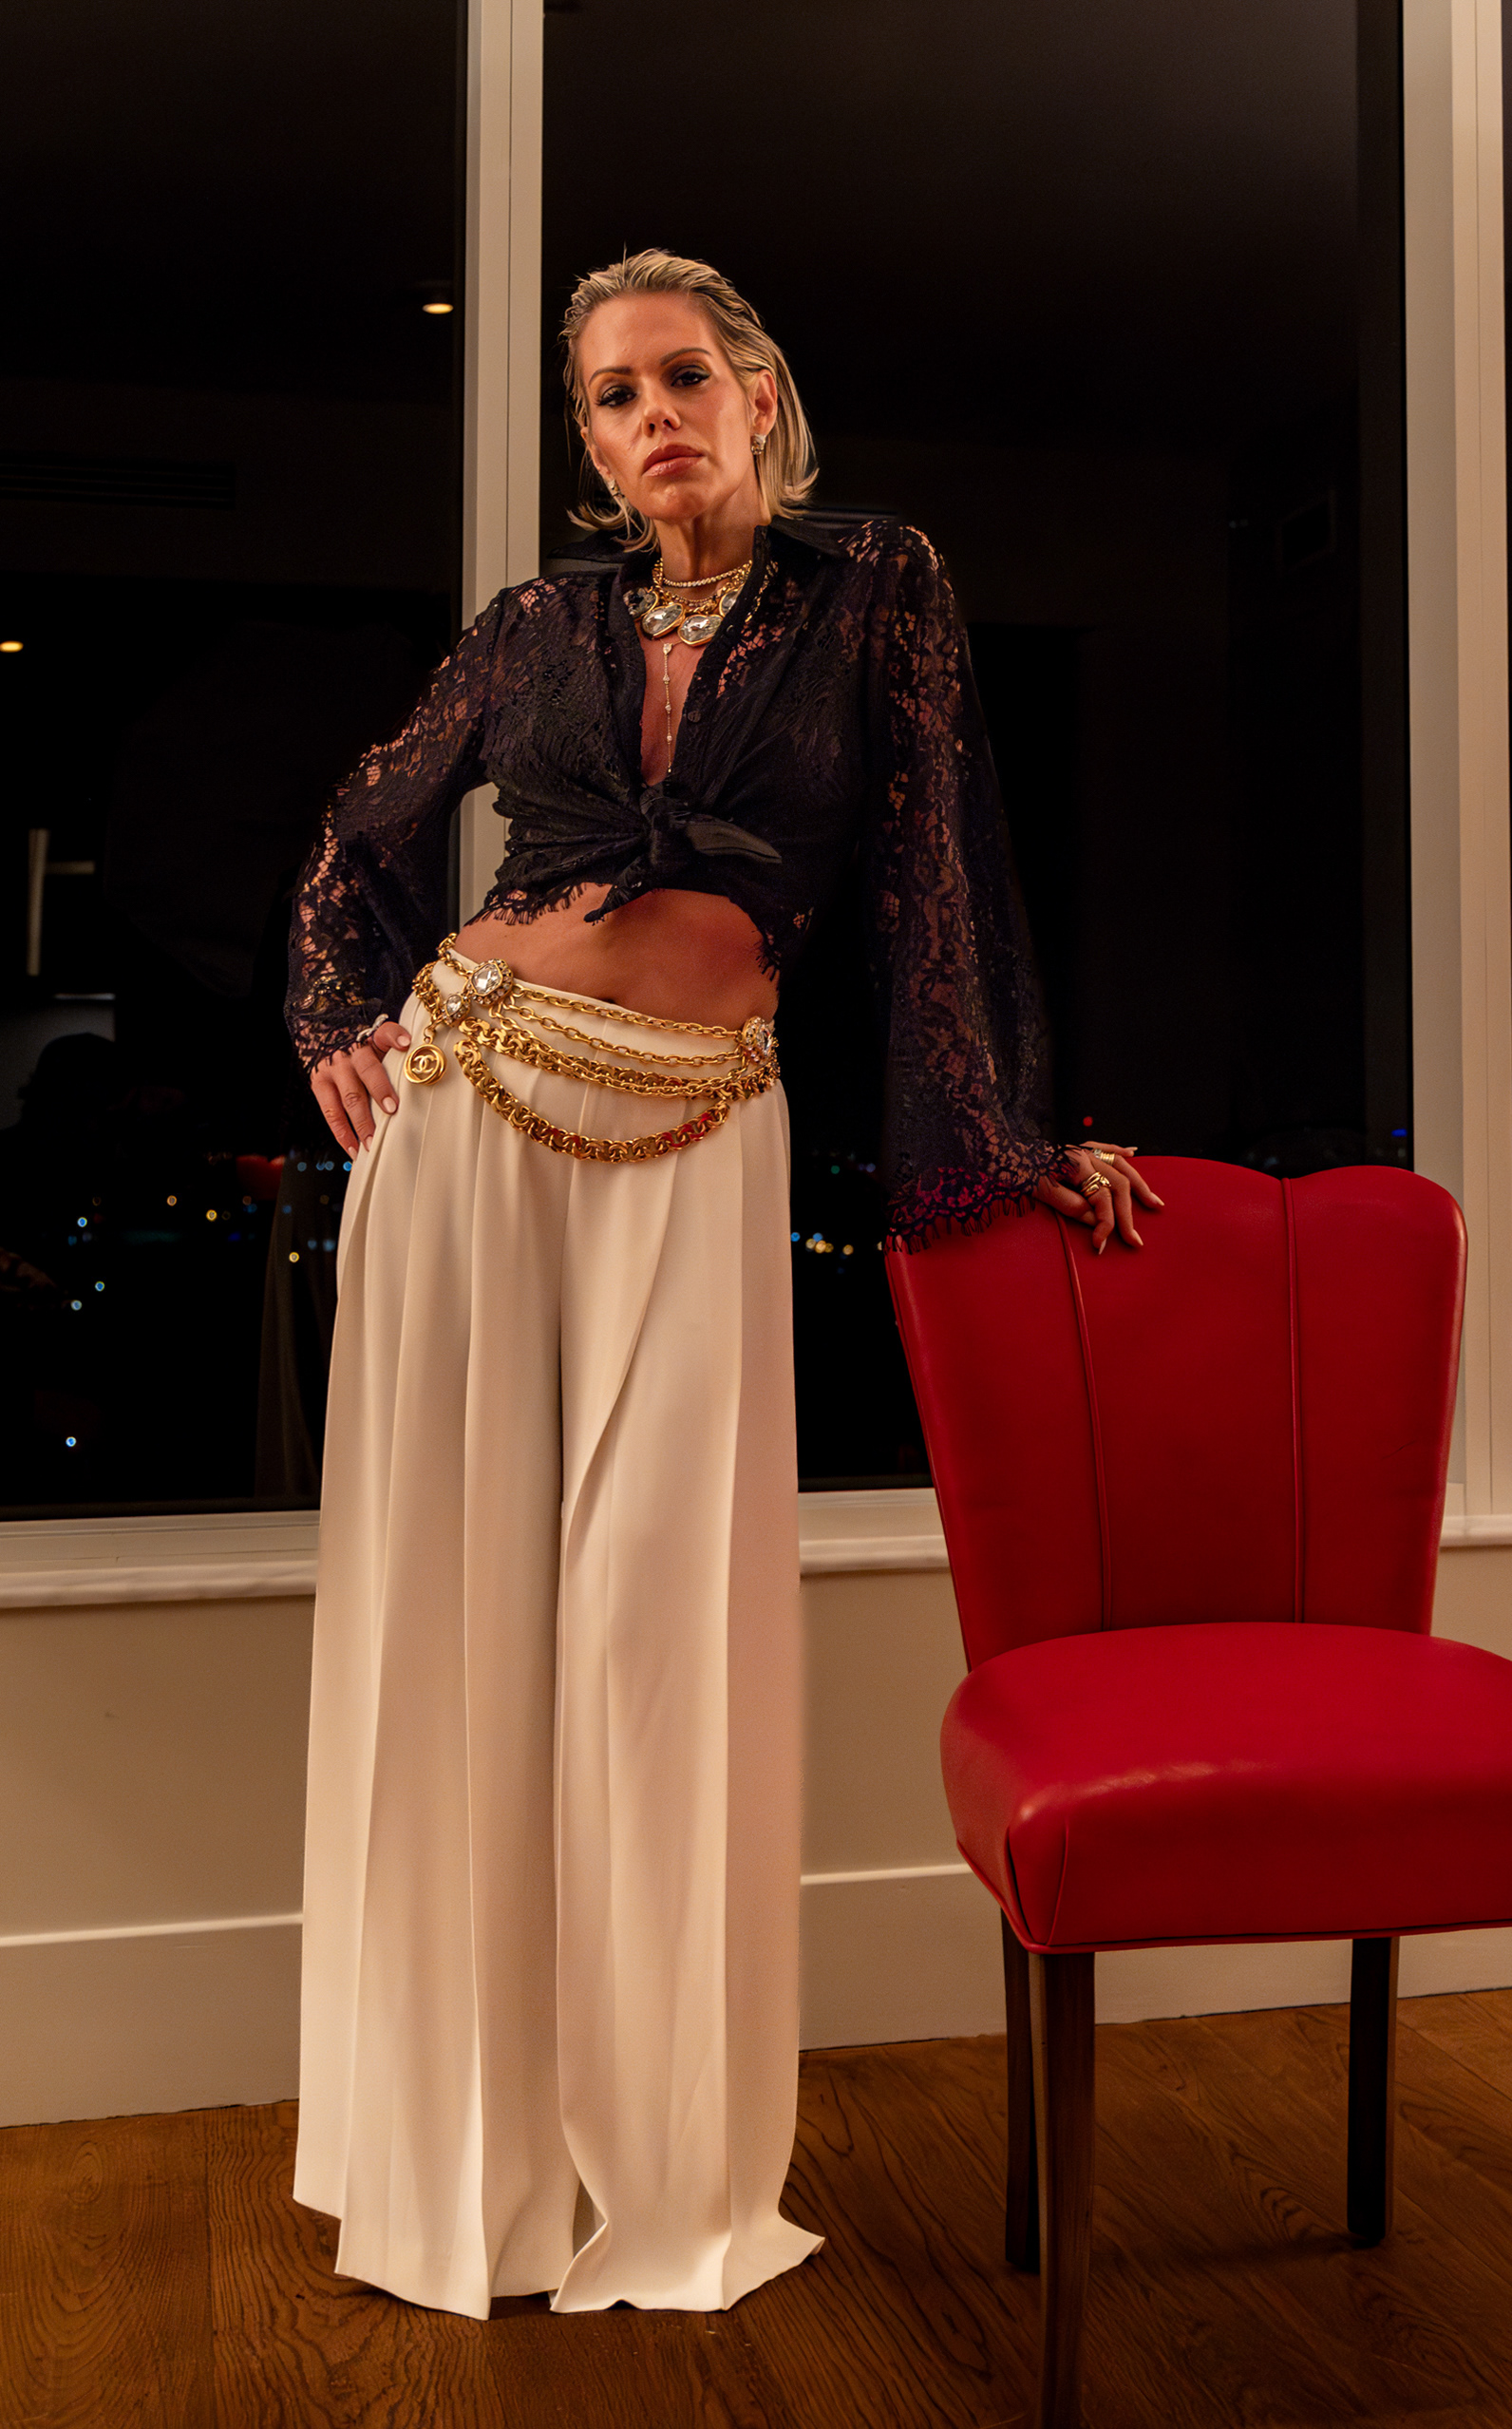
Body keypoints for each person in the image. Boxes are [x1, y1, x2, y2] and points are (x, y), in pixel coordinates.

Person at [284, 247, 1162, 2323]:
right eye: (612, 395)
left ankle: (664, 2167)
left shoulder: (876, 591)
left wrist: (1006, 1130)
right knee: (453, 1629)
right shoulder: (540, 627)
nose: (652, 415)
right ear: (590, 444)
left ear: (760, 395)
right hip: (466, 1114)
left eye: (684, 375)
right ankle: (460, 2168)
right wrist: (338, 1016)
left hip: (694, 1135)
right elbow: (359, 834)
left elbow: (940, 868)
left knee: (659, 1644)